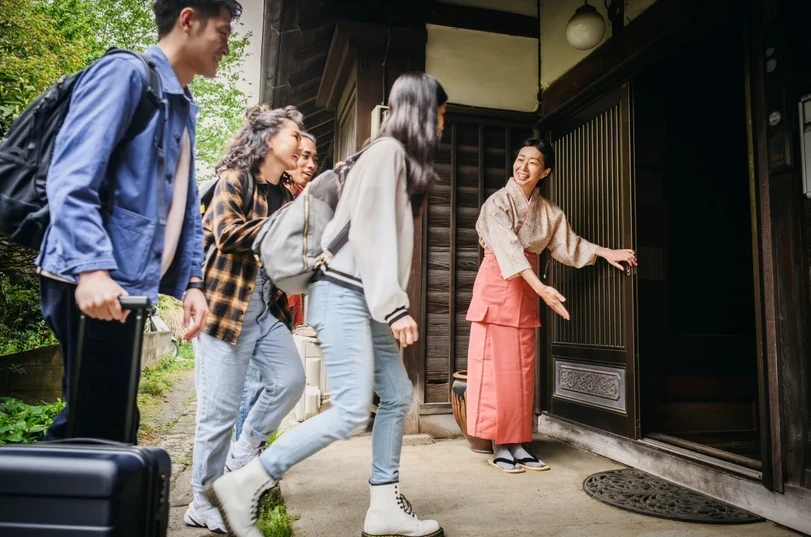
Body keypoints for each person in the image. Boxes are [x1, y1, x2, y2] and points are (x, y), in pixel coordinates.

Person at [205, 73, 449, 537]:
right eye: (439, 112)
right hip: (344, 293)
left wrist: (385, 302)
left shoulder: (387, 157)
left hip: (361, 295)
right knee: (352, 410)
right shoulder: (388, 154)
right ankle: (247, 482)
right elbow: (372, 234)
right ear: (420, 110)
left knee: (396, 396)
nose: (442, 122)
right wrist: (395, 306)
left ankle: (383, 507)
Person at [36, 0, 243, 442]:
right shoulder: (125, 75)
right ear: (187, 20)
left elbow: (185, 210)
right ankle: (46, 504)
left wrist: (192, 282)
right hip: (91, 283)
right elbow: (71, 177)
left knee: (107, 424)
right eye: (222, 32)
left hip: (124, 287)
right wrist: (91, 269)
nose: (226, 45)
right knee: (96, 430)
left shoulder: (181, 105)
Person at [465, 138, 638, 474]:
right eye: (520, 159)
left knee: (521, 371)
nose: (523, 166)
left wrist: (606, 252)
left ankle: (519, 442)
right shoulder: (497, 202)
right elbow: (509, 252)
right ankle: (501, 444)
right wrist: (542, 288)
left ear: (544, 172)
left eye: (532, 162)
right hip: (498, 287)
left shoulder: (548, 211)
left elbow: (568, 244)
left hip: (527, 293)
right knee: (498, 371)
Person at [185, 105, 307, 533]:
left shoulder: (287, 195)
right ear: (270, 140)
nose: (299, 143)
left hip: (264, 308)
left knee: (291, 379)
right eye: (294, 135)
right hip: (224, 308)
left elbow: (288, 252)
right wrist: (283, 225)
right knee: (216, 414)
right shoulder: (233, 180)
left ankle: (244, 451)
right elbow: (227, 234)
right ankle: (201, 499)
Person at [234, 132, 318, 442]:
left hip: (284, 305)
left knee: (279, 382)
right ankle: (242, 463)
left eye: (313, 158)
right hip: (254, 305)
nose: (308, 164)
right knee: (255, 384)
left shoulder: (296, 198)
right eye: (303, 155)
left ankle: (250, 456)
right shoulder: (267, 194)